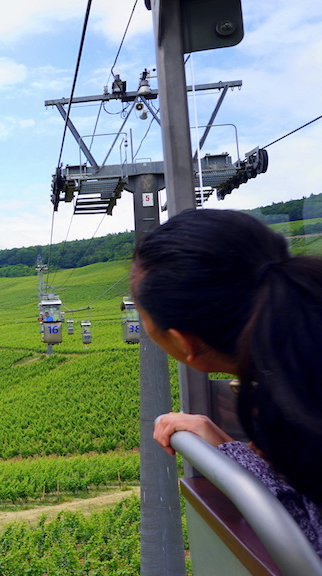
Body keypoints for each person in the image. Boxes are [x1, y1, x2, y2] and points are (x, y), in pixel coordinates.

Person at [131, 208, 322, 553]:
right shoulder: (302, 374)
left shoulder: (303, 417)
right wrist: (224, 447)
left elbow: (308, 538)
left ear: (185, 342)